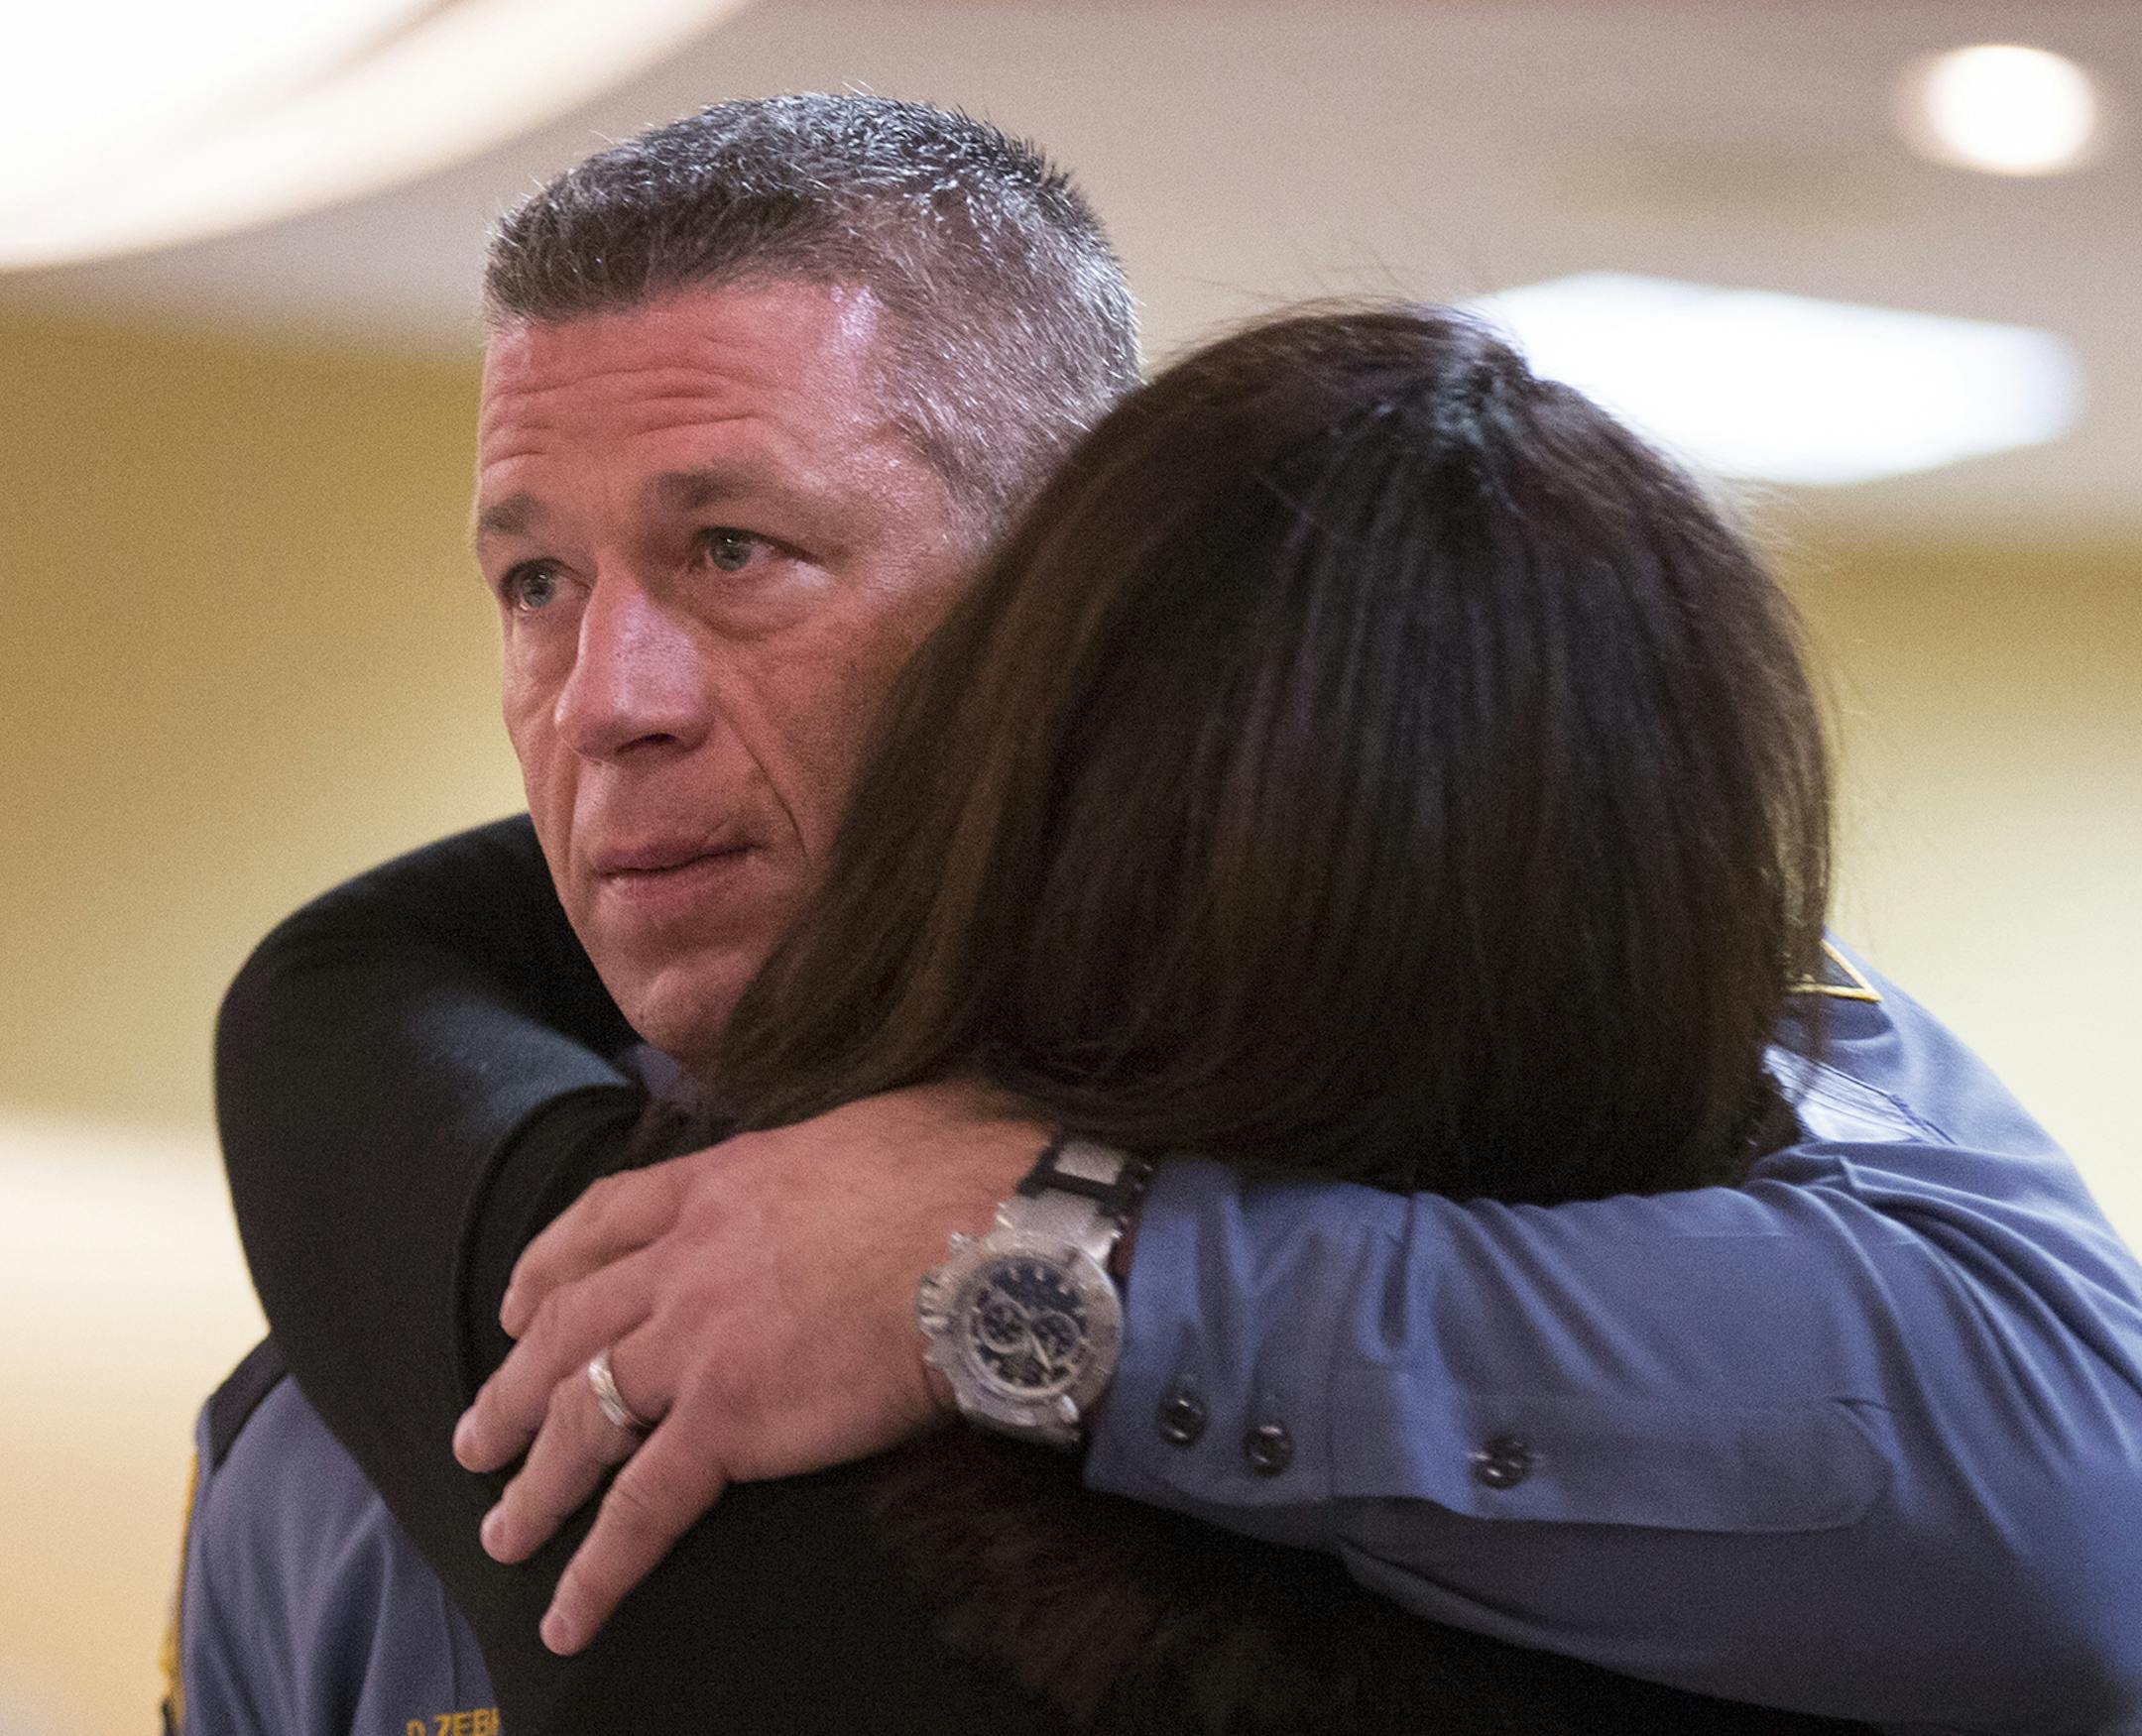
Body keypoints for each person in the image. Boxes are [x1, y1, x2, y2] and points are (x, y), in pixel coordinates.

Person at [188, 94, 2142, 1736]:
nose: (608, 698)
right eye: (532, 582)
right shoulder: (334, 1425)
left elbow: (2079, 1519)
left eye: (737, 551)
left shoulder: (1627, 1112)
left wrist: (1026, 1259)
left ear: (1075, 605)